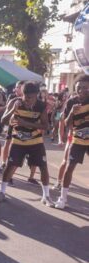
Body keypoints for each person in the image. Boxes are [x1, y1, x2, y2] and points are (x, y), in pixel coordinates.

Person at [0, 82, 52, 206]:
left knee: (43, 167)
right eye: (25, 97)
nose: (27, 101)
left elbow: (45, 126)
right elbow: (3, 121)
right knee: (10, 166)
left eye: (31, 98)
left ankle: (46, 196)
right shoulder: (15, 102)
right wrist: (13, 109)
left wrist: (26, 124)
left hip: (35, 141)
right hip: (18, 140)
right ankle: (2, 192)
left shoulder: (41, 105)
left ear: (36, 95)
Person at [55, 75, 89, 209]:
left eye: (85, 88)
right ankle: (62, 198)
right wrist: (71, 113)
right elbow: (67, 123)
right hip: (77, 138)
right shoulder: (71, 102)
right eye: (79, 87)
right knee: (69, 167)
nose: (81, 90)